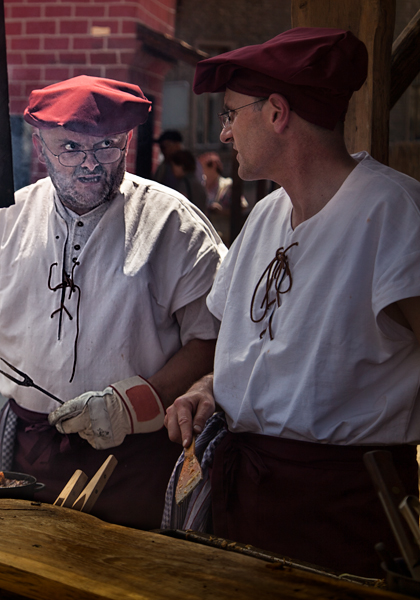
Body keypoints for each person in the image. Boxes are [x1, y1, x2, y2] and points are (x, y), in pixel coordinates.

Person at [162, 28, 420, 578]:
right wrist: (207, 390)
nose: (225, 132)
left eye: (232, 113)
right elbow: (254, 350)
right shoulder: (265, 216)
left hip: (342, 510)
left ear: (277, 111)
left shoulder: (394, 213)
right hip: (246, 496)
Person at [0, 76, 226, 529]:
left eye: (106, 146)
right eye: (69, 148)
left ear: (127, 141)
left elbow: (210, 342)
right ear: (40, 147)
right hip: (25, 454)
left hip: (134, 460)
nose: (90, 164)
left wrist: (133, 404)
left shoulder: (173, 224)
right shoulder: (7, 219)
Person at [198, 151, 246, 242]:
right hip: (207, 237)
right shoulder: (202, 186)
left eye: (203, 167)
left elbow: (242, 208)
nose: (201, 171)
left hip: (225, 236)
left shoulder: (227, 186)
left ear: (214, 166)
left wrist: (221, 211)